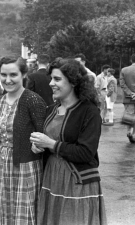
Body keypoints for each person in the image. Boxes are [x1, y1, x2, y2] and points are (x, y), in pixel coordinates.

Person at [30, 58, 107, 225]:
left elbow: (86, 153)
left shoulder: (89, 112)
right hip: (51, 177)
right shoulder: (51, 110)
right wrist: (38, 146)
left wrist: (51, 144)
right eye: (51, 78)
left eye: (57, 79)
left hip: (77, 181)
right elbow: (48, 140)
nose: (51, 83)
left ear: (73, 82)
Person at [0, 56, 47, 224]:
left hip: (25, 164)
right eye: (3, 75)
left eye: (13, 75)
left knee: (22, 212)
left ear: (24, 75)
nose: (8, 80)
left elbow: (42, 134)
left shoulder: (33, 100)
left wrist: (37, 146)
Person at [119, 53, 135, 143]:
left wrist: (130, 93)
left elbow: (122, 84)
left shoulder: (124, 70)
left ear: (131, 60)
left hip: (127, 98)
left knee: (129, 115)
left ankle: (129, 132)